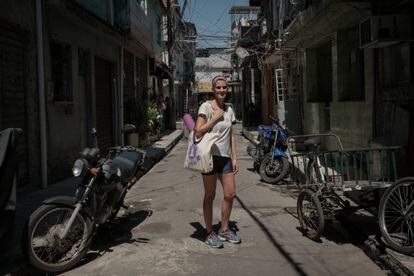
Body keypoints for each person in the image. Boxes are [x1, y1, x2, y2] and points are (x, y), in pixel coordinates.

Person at [194, 75, 241, 248]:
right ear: (213, 90)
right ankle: (209, 232)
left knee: (230, 194)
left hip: (225, 158)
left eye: (224, 87)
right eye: (218, 88)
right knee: (210, 195)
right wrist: (214, 118)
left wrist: (235, 157)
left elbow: (231, 135)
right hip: (209, 157)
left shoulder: (229, 109)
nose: (222, 90)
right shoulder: (205, 107)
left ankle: (224, 229)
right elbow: (197, 131)